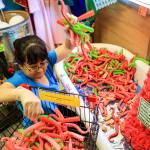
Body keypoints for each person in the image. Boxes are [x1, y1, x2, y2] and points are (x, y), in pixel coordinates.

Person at [0, 34, 74, 127]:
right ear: (21, 66)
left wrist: (71, 32)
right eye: (33, 67)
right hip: (37, 127)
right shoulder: (20, 78)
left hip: (57, 117)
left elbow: (67, 47)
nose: (40, 69)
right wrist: (21, 93)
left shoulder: (47, 60)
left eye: (42, 63)